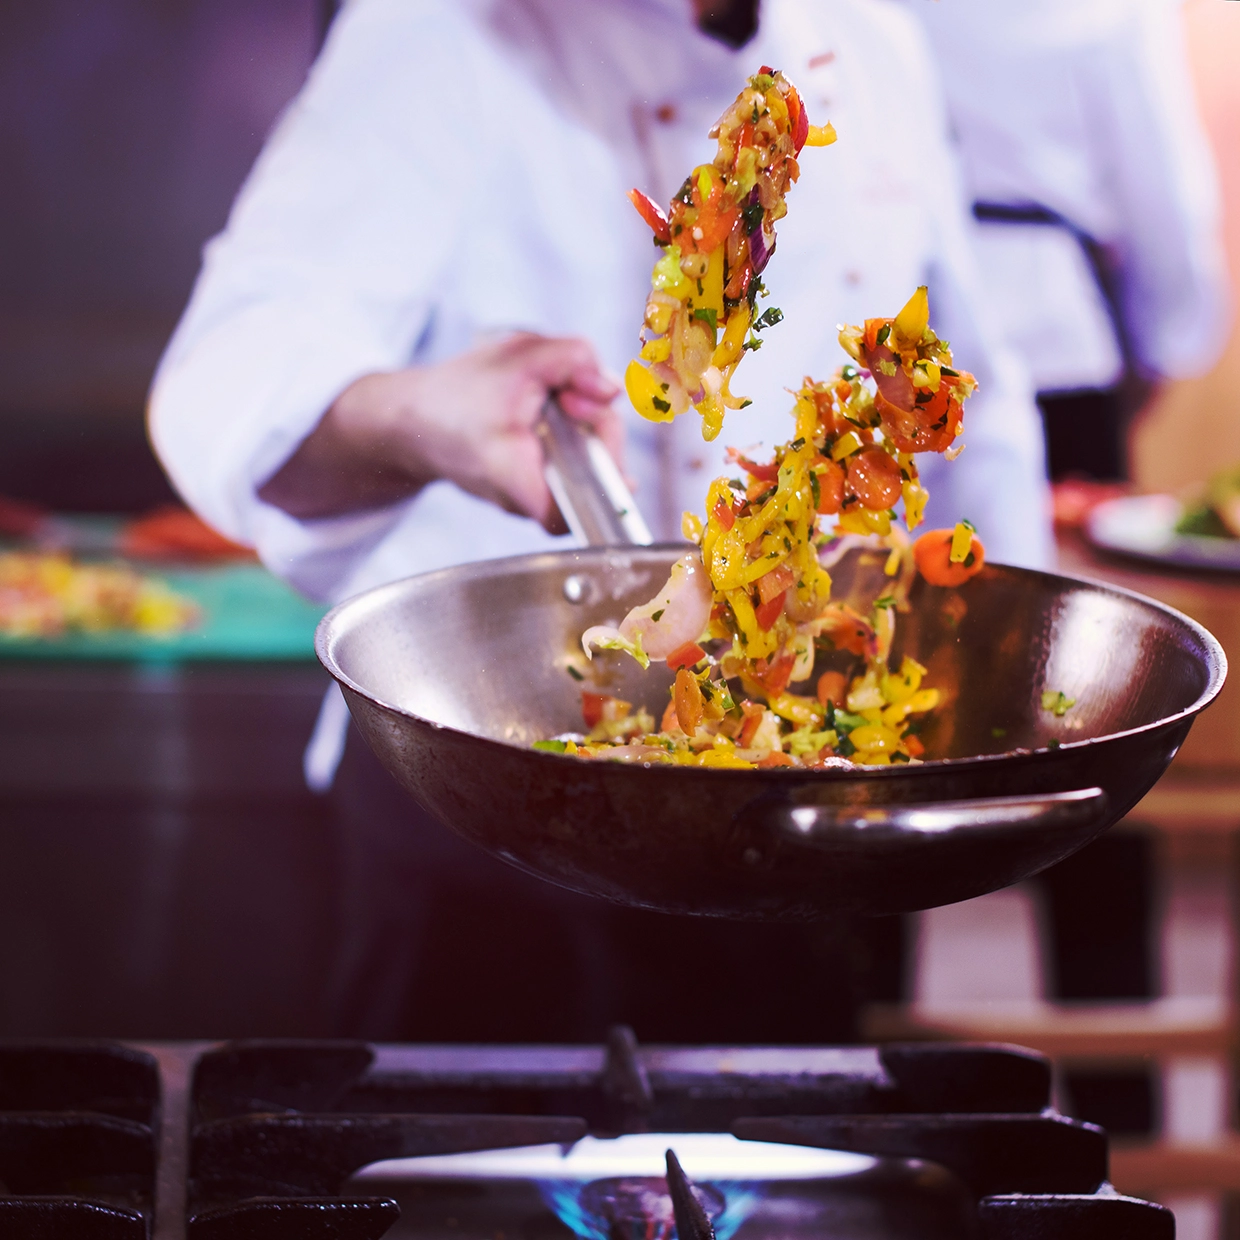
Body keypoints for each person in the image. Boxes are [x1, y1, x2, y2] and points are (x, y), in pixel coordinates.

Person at [148, 0, 1052, 1041]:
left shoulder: (871, 36)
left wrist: (999, 683)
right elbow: (229, 381)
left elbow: (969, 394)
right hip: (488, 803)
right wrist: (417, 418)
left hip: (801, 807)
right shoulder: (443, 29)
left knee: (786, 1175)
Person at [905, 0, 1229, 479]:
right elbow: (1163, 192)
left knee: (911, 546)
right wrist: (1167, 343)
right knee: (1062, 548)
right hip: (1061, 337)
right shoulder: (1117, 13)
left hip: (909, 332)